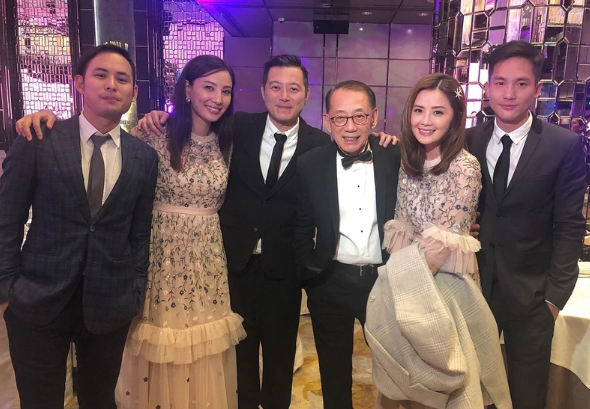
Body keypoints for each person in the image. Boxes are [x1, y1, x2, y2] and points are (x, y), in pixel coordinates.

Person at [19, 55, 394, 409]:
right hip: (230, 264)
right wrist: (151, 116)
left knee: (279, 358)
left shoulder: (320, 143)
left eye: (294, 88)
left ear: (307, 95)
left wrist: (382, 141)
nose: (284, 96)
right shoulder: (237, 129)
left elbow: (357, 141)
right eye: (276, 87)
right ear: (262, 91)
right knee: (234, 357)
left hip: (284, 270)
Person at [15, 54, 247, 409]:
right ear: (187, 89)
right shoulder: (152, 135)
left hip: (206, 261)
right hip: (158, 256)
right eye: (209, 88)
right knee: (153, 345)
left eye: (226, 91)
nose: (217, 98)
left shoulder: (229, 142)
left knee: (200, 344)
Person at [0, 44, 159, 409]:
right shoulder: (40, 139)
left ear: (134, 92)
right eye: (101, 75)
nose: (111, 85)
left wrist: (135, 292)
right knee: (40, 401)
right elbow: (7, 219)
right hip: (36, 299)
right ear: (79, 83)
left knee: (99, 400)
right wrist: (7, 291)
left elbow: (140, 233)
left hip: (110, 303)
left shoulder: (143, 157)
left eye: (122, 79)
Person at [364, 73, 511, 409]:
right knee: (402, 383)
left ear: (455, 118)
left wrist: (397, 288)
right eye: (419, 110)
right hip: (406, 279)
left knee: (441, 383)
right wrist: (396, 290)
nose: (425, 121)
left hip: (444, 289)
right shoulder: (409, 161)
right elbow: (402, 228)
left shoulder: (465, 167)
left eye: (438, 112)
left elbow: (442, 247)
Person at [466, 40, 586, 409]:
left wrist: (554, 298)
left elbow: (570, 225)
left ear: (537, 89)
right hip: (474, 288)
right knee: (472, 390)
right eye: (500, 82)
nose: (508, 93)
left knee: (527, 394)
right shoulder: (468, 140)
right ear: (488, 87)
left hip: (532, 296)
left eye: (521, 83)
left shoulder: (563, 145)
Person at [294, 80, 401, 409]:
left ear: (374, 117)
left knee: (397, 371)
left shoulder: (395, 157)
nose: (350, 127)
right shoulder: (310, 164)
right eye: (340, 117)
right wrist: (310, 274)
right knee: (333, 374)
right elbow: (301, 225)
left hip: (384, 281)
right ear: (327, 121)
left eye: (359, 116)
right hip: (330, 281)